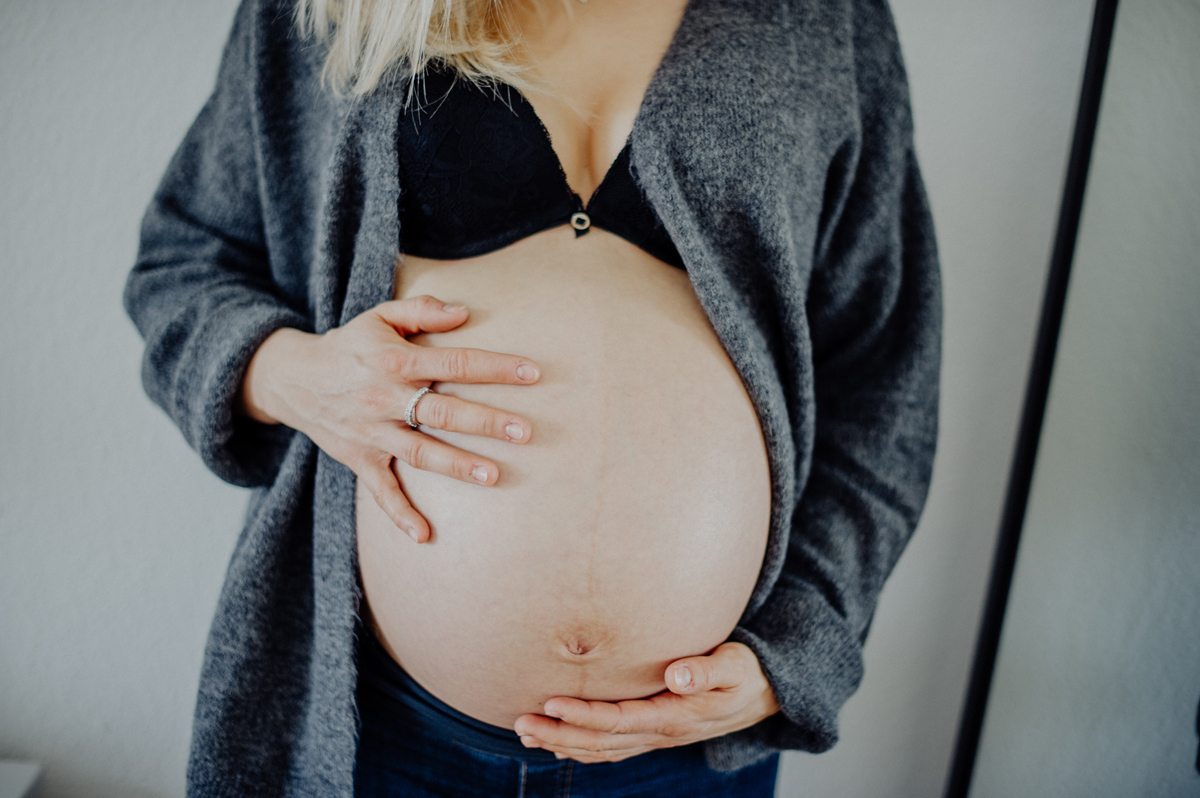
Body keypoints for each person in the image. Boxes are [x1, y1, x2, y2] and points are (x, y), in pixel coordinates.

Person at [124, 0, 941, 795]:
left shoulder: (825, 17)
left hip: (687, 755)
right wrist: (293, 375)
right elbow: (182, 263)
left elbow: (882, 378)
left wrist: (792, 656)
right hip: (377, 728)